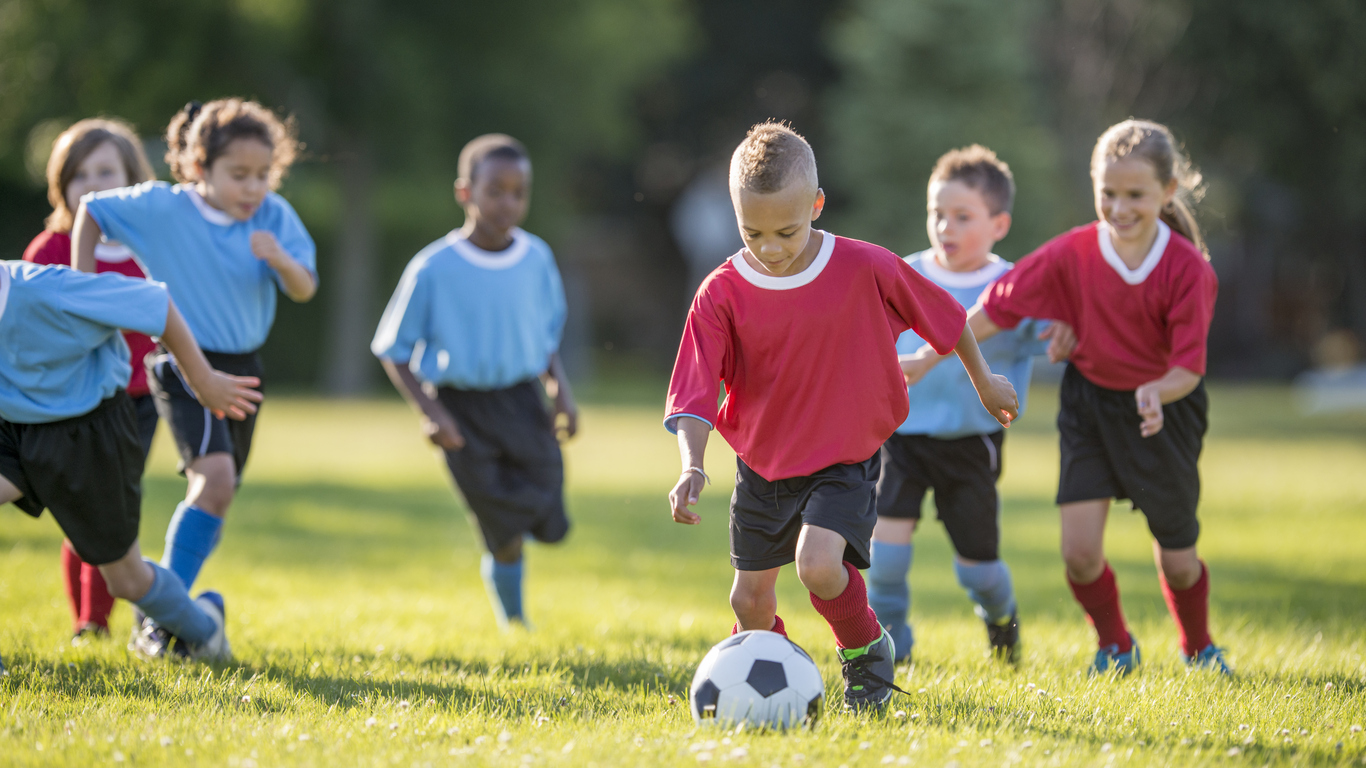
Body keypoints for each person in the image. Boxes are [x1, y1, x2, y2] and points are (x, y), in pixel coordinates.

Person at [665, 122, 1019, 711]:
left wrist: (985, 383)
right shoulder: (720, 294)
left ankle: (866, 654)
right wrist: (692, 466)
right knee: (749, 603)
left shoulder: (865, 267)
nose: (771, 247)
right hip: (762, 467)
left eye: (787, 229)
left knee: (818, 566)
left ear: (817, 205)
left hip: (843, 460)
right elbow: (694, 393)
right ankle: (769, 672)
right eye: (752, 232)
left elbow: (948, 319)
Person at [902, 120, 1225, 675]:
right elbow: (992, 311)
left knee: (1178, 560)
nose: (1119, 208)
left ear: (1167, 193)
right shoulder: (1072, 252)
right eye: (1108, 193)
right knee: (1078, 554)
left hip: (1163, 414)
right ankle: (1114, 645)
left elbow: (1188, 369)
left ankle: (1199, 646)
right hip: (1090, 409)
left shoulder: (1188, 269)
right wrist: (929, 357)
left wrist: (1155, 390)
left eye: (1136, 196)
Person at [71, 98, 318, 656]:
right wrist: (82, 290)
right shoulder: (165, 207)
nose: (253, 189)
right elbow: (91, 209)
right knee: (216, 482)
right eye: (239, 175)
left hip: (245, 368)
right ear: (200, 166)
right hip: (184, 360)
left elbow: (305, 287)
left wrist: (280, 260)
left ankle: (158, 611)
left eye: (263, 175)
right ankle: (162, 618)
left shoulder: (273, 216)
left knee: (217, 497)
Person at [868, 145, 1076, 665]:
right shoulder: (903, 275)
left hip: (971, 442)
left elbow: (1052, 328)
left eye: (963, 216)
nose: (946, 226)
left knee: (977, 570)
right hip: (901, 438)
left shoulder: (1012, 287)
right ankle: (893, 644)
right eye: (938, 213)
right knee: (885, 556)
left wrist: (1064, 330)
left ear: (999, 224)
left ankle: (1001, 616)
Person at [0, 260, 264, 660]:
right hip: (12, 428)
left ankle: (205, 628)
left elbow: (157, 304)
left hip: (86, 434)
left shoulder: (44, 288)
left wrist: (204, 380)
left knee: (124, 579)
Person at [372, 134, 578, 629]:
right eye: (496, 190)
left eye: (519, 191)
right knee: (499, 525)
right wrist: (432, 413)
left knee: (549, 508)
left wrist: (561, 391)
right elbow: (393, 350)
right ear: (466, 193)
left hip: (523, 399)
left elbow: (546, 335)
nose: (508, 202)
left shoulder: (536, 259)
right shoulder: (433, 267)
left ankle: (509, 530)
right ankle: (515, 622)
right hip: (461, 410)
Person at [22, 118, 159, 642]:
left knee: (116, 506)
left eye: (106, 170)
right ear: (61, 186)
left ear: (132, 177)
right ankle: (90, 620)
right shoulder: (49, 250)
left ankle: (103, 618)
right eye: (79, 174)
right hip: (72, 400)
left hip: (140, 399)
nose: (93, 183)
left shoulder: (148, 248)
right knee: (78, 506)